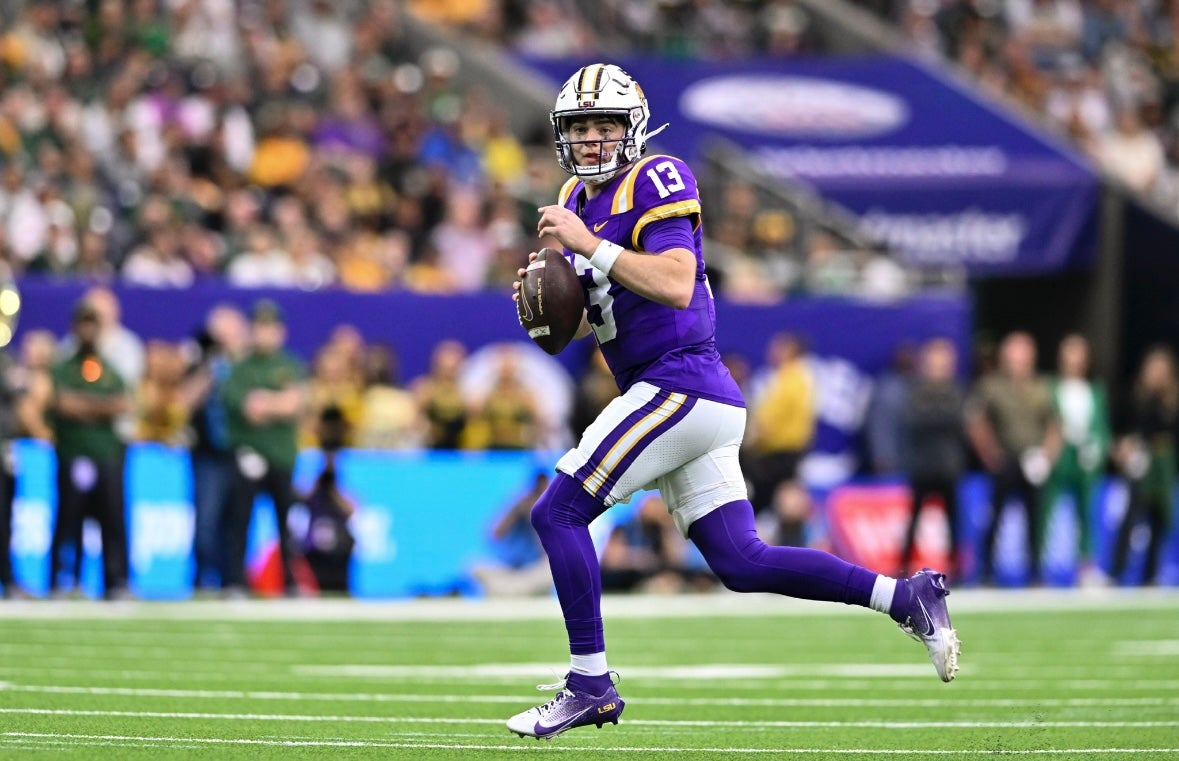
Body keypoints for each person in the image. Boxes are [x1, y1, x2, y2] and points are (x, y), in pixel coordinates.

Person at [505, 63, 960, 741]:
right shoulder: (574, 195)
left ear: (631, 130)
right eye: (580, 127)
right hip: (680, 394)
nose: (593, 139)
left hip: (678, 381)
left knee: (559, 510)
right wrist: (544, 303)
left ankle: (589, 683)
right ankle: (904, 595)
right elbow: (581, 317)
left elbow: (676, 282)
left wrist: (587, 245)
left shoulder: (656, 178)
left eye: (604, 126)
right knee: (741, 561)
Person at [221, 299, 307, 598]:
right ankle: (235, 580)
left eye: (270, 328)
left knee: (287, 523)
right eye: (259, 327)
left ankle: (290, 581)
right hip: (249, 455)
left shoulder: (290, 364)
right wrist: (277, 403)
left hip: (282, 454)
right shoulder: (240, 368)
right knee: (240, 519)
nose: (264, 334)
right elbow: (246, 408)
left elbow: (295, 404)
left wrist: (266, 402)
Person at [47, 301, 132, 600]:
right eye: (83, 324)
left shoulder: (109, 369)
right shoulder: (63, 366)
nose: (88, 330)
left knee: (112, 519)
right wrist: (101, 407)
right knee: (68, 519)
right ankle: (60, 579)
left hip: (106, 455)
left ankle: (116, 581)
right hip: (72, 453)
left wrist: (85, 406)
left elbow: (124, 403)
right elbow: (63, 404)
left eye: (92, 324)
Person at [966, 331, 1061, 585]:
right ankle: (986, 571)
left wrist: (1048, 456)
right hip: (1006, 459)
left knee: (1036, 517)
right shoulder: (992, 385)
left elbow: (1054, 425)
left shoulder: (1042, 386)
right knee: (995, 515)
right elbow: (976, 421)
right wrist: (989, 453)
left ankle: (1036, 572)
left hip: (1033, 461)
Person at [187, 304, 250, 594]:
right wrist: (210, 369)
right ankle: (202, 580)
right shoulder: (200, 363)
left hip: (241, 452)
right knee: (206, 522)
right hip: (207, 454)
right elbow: (183, 402)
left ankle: (232, 580)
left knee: (236, 523)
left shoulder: (248, 367)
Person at [1043, 334, 1111, 584]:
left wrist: (1097, 447)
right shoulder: (1051, 387)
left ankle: (1086, 566)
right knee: (1047, 509)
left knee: (1086, 511)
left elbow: (1102, 427)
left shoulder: (1095, 391)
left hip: (1084, 455)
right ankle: (1043, 566)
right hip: (1060, 455)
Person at [899, 338, 967, 578]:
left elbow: (958, 420)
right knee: (914, 519)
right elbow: (914, 421)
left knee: (953, 521)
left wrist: (934, 415)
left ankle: (956, 568)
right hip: (923, 466)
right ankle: (903, 565)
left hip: (948, 466)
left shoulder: (956, 391)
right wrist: (940, 417)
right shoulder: (917, 390)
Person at [1110, 346, 1177, 585]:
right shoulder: (1136, 397)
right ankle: (1117, 571)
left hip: (1163, 468)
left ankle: (1150, 575)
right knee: (1131, 517)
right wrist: (1126, 446)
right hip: (1139, 465)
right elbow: (1123, 430)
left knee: (1159, 520)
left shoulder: (1172, 403)